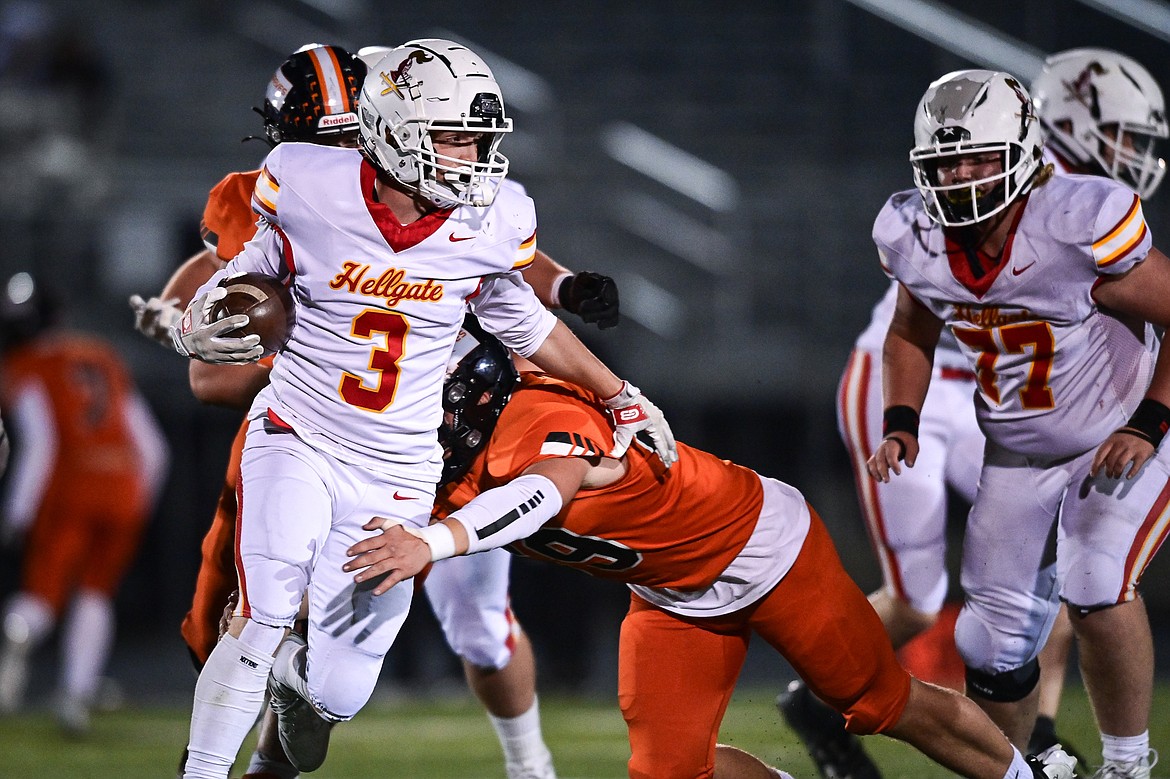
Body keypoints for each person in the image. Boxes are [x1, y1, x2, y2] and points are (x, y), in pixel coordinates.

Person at [168, 38, 673, 779]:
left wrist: (619, 390)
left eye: (478, 137)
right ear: (396, 131)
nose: (474, 155)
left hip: (403, 466)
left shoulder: (488, 217)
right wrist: (193, 325)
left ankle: (295, 692)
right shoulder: (305, 182)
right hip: (299, 431)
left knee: (340, 691)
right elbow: (249, 275)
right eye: (456, 136)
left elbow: (524, 318)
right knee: (261, 613)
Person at [342, 321, 1076, 779]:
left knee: (875, 698)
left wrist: (433, 541)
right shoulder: (437, 466)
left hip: (758, 545)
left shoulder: (541, 408)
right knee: (667, 770)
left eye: (421, 402)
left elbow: (544, 493)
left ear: (469, 392)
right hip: (671, 593)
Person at [779, 46, 1170, 779]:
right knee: (989, 645)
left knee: (1094, 578)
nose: (959, 178)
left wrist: (1149, 420)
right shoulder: (914, 236)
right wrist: (901, 417)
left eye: (979, 161)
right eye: (946, 164)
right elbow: (909, 330)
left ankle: (1127, 767)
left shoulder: (1078, 217)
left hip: (1124, 430)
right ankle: (1020, 766)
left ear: (1023, 155)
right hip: (1018, 449)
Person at [0, 271, 168, 737]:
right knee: (96, 592)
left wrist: (17, 512)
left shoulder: (28, 366)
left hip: (69, 489)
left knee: (43, 595)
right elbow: (152, 446)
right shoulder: (102, 355)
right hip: (123, 487)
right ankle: (75, 696)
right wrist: (141, 500)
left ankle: (18, 635)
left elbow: (39, 444)